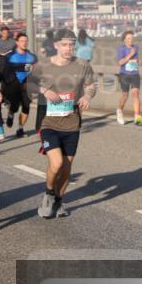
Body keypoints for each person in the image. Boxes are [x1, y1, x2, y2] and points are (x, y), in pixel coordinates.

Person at [28, 29, 96, 219]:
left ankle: (58, 201)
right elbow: (29, 84)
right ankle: (49, 193)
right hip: (48, 123)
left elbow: (91, 86)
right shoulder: (43, 65)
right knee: (56, 163)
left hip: (72, 123)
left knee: (66, 167)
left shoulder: (82, 65)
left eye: (71, 45)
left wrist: (87, 96)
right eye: (64, 45)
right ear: (56, 45)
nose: (68, 48)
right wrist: (44, 90)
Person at [6, 32, 38, 138]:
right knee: (14, 106)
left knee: (26, 107)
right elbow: (5, 70)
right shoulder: (10, 56)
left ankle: (20, 129)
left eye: (26, 41)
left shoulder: (32, 57)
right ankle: (11, 113)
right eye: (22, 41)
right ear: (17, 42)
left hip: (27, 84)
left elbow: (37, 70)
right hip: (13, 84)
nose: (24, 43)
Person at [116, 30, 142, 125]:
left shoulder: (136, 47)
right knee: (125, 95)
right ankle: (119, 111)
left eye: (132, 38)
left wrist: (139, 61)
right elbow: (120, 62)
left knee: (135, 94)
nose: (130, 40)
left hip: (135, 74)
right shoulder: (121, 49)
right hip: (124, 75)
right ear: (124, 40)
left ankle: (137, 117)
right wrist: (130, 55)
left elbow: (135, 59)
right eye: (128, 38)